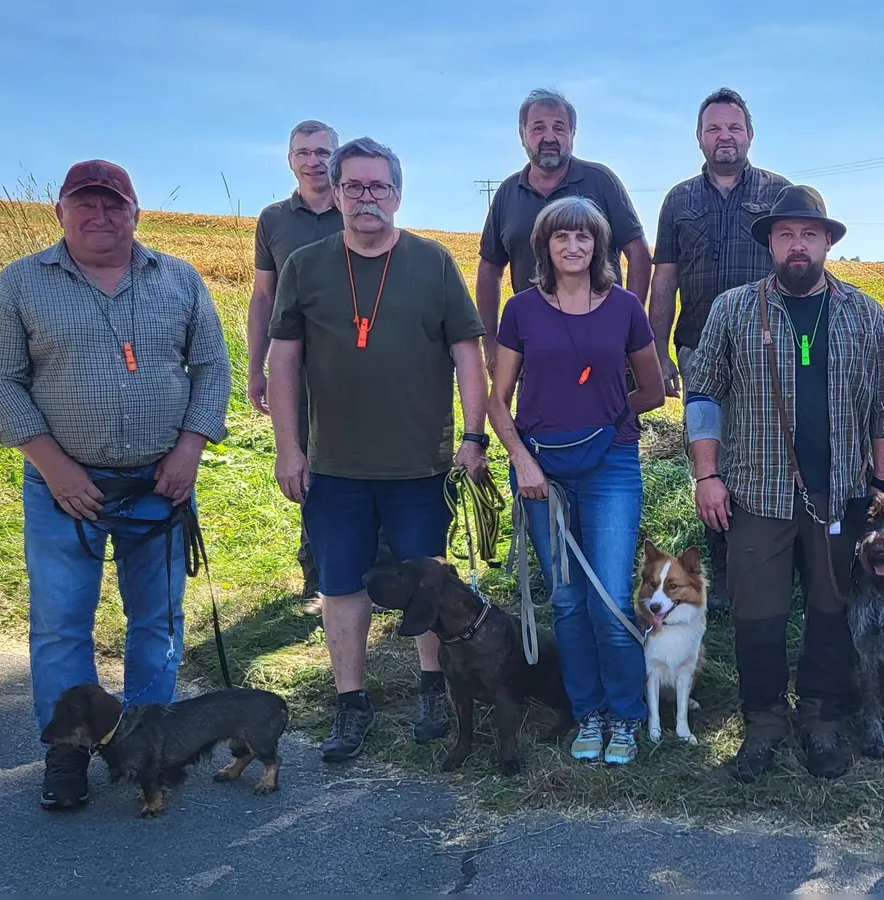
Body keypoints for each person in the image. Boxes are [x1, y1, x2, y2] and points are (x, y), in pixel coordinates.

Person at [0, 159, 231, 810]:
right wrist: (53, 466)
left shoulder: (178, 280)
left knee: (159, 619)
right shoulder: (23, 282)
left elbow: (212, 367)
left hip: (161, 484)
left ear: (135, 213)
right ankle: (68, 753)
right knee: (62, 626)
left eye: (113, 205)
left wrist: (190, 450)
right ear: (59, 212)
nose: (99, 216)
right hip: (64, 487)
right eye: (84, 204)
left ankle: (151, 740)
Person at [265, 137, 490, 763]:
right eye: (355, 187)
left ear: (397, 193)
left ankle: (431, 687)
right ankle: (350, 702)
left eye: (379, 187)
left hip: (419, 463)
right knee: (342, 585)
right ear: (335, 193)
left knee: (428, 580)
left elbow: (467, 354)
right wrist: (289, 448)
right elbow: (283, 361)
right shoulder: (305, 267)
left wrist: (473, 435)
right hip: (334, 464)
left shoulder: (434, 263)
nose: (367, 198)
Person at [686, 185, 884, 782]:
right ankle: (762, 726)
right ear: (771, 244)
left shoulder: (863, 313)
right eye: (786, 234)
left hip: (841, 496)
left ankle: (822, 722)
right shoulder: (734, 310)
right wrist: (707, 474)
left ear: (827, 243)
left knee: (831, 611)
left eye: (810, 234)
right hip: (756, 493)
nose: (798, 245)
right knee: (759, 616)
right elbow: (703, 394)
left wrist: (881, 492)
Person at [487, 196, 666, 765]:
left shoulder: (625, 308)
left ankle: (625, 716)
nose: (573, 246)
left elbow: (653, 390)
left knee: (610, 597)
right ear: (544, 246)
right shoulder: (520, 310)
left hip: (611, 463)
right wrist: (522, 460)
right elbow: (498, 401)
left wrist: (607, 416)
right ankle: (586, 711)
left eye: (584, 237)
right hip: (542, 472)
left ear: (600, 246)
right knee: (565, 599)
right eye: (561, 237)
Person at [651, 87, 791, 611]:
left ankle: (772, 567)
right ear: (699, 138)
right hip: (696, 350)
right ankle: (724, 575)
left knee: (763, 455)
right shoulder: (678, 200)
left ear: (750, 135)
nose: (724, 137)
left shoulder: (778, 193)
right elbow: (664, 279)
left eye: (734, 128)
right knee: (709, 462)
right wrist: (656, 352)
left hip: (765, 351)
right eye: (714, 128)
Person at [247, 119, 390, 610]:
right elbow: (263, 296)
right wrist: (256, 367)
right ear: (290, 160)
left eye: (323, 152)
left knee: (376, 458)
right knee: (307, 463)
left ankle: (383, 570)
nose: (313, 161)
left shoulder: (359, 208)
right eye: (303, 152)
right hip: (297, 365)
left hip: (361, 368)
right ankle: (320, 570)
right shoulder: (273, 221)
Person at [476, 88, 652, 366]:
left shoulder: (601, 181)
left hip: (603, 344)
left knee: (615, 409)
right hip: (533, 346)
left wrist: (628, 324)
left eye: (559, 128)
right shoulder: (508, 193)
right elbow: (489, 269)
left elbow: (639, 253)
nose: (549, 137)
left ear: (572, 134)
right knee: (536, 410)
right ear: (522, 135)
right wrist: (491, 342)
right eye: (538, 128)